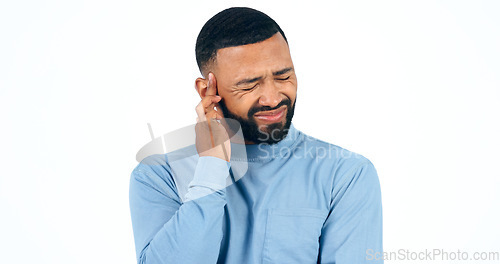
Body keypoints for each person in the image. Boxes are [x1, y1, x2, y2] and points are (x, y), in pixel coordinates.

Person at [129, 7, 383, 264]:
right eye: (249, 85)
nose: (273, 98)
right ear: (207, 90)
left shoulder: (346, 175)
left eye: (284, 76)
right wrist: (212, 167)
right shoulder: (159, 176)